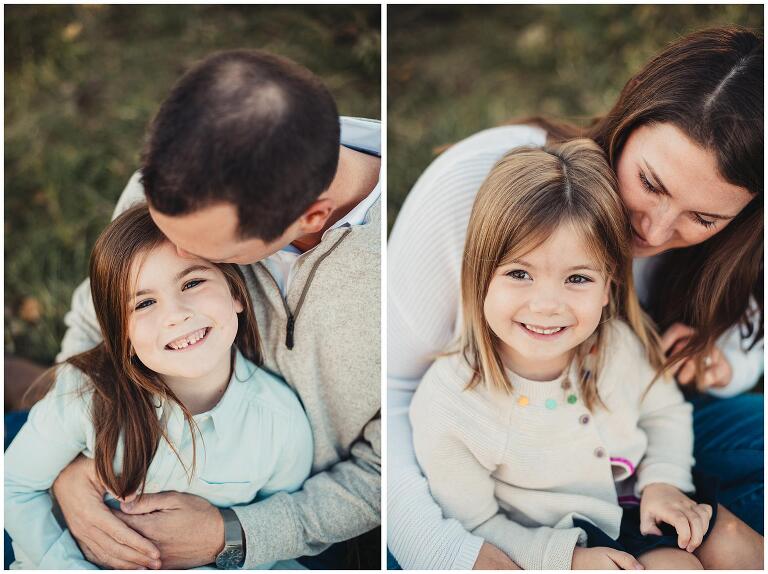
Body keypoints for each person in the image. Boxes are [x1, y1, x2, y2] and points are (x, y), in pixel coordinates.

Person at [388, 27, 762, 569]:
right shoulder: (480, 193)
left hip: (629, 467)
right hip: (484, 488)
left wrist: (727, 363)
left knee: (732, 529)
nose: (654, 234)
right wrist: (451, 553)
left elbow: (746, 338)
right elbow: (396, 395)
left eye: (703, 218)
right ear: (629, 120)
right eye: (650, 183)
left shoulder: (621, 346)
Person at [25, 49, 380, 570]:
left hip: (302, 514)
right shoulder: (182, 182)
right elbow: (94, 316)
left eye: (209, 262)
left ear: (313, 216)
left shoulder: (415, 266)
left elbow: (392, 468)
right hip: (129, 453)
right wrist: (67, 470)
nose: (176, 262)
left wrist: (233, 534)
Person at [6, 205, 314, 569]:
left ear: (235, 293)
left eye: (192, 283)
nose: (176, 314)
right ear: (122, 334)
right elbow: (15, 487)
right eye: (145, 303)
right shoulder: (86, 396)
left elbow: (276, 541)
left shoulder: (280, 424)